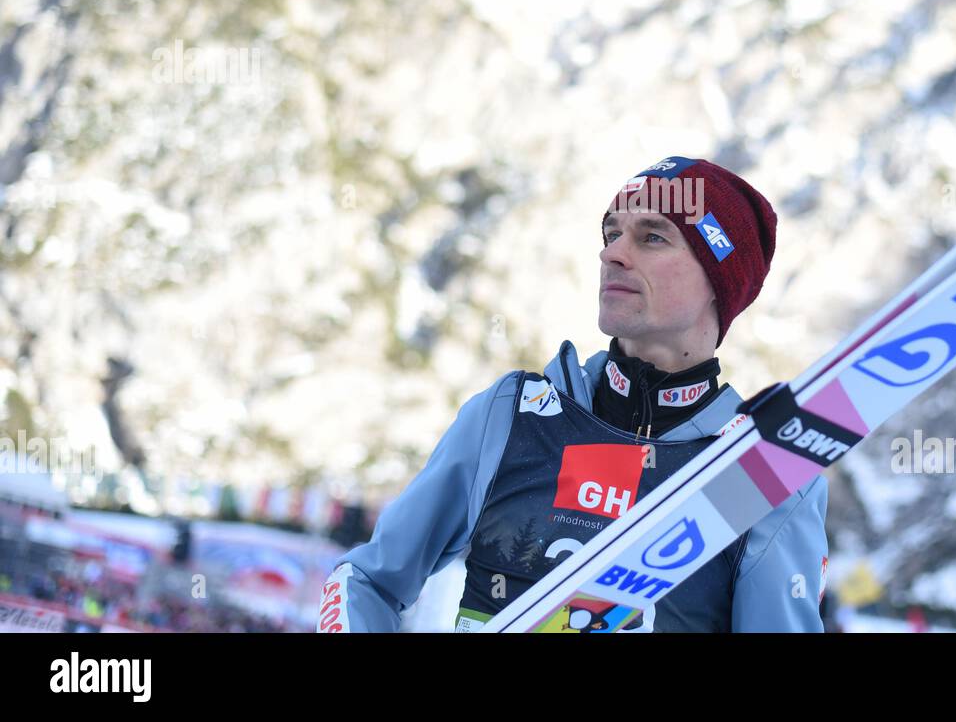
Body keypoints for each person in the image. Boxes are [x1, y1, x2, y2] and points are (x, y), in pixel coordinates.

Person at [317, 156, 829, 633]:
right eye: (611, 234)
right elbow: (367, 580)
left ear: (719, 279)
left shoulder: (765, 470)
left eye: (652, 237)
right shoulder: (511, 415)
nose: (613, 254)